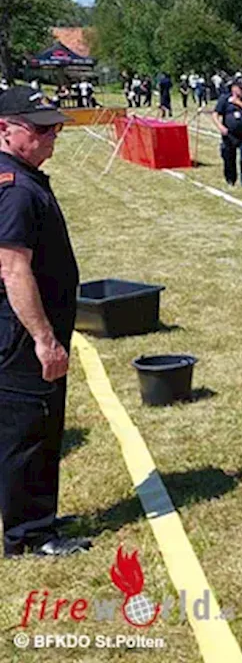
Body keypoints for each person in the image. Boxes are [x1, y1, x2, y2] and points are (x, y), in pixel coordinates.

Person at [0, 88, 90, 558]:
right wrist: (43, 338)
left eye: (54, 126)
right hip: (20, 334)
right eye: (39, 128)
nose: (51, 135)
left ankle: (36, 515)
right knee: (28, 428)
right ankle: (29, 535)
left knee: (41, 424)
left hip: (25, 329)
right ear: (6, 129)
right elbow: (13, 268)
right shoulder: (15, 189)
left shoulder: (22, 176)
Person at [212, 78, 242, 188]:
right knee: (229, 158)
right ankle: (230, 179)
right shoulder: (224, 99)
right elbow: (215, 114)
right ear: (234, 88)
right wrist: (220, 127)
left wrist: (239, 103)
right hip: (229, 135)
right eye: (240, 88)